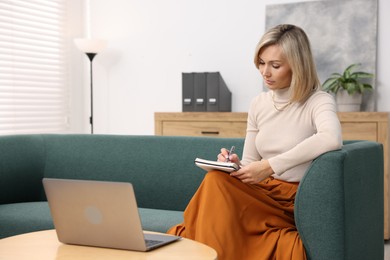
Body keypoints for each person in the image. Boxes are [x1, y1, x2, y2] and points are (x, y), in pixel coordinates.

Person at [167, 24, 342, 260]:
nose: (265, 72)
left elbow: (331, 138)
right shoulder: (259, 103)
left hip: (292, 200)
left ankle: (200, 250)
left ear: (297, 65)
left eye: (275, 65)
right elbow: (251, 162)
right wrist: (235, 165)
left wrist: (270, 166)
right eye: (261, 62)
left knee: (211, 192)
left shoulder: (318, 101)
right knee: (216, 178)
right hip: (261, 189)